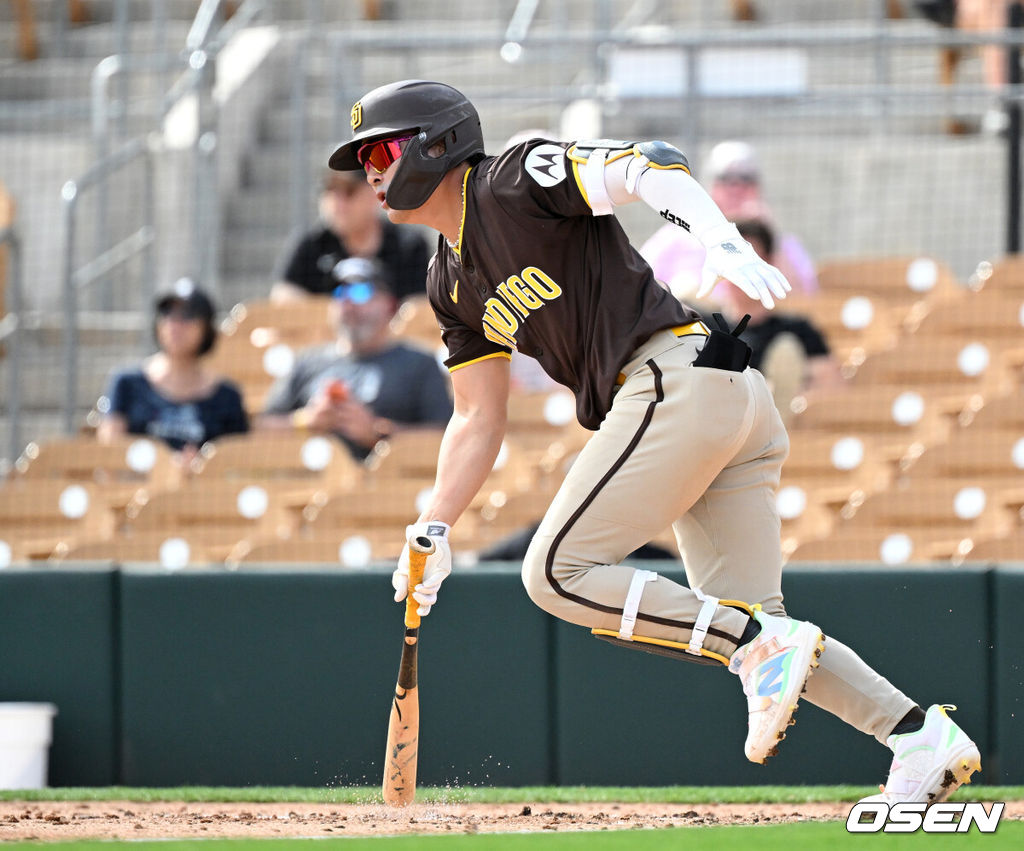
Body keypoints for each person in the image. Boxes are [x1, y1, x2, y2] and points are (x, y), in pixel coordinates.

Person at [327, 79, 982, 802]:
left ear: (436, 143)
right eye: (363, 161)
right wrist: (434, 523)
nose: (372, 172)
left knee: (555, 571)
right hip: (711, 399)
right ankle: (919, 735)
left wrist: (720, 241)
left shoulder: (510, 179)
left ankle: (750, 646)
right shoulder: (448, 282)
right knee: (763, 623)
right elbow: (479, 418)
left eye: (382, 150)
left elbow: (650, 164)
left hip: (673, 376)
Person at [258, 257, 453, 460]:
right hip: (314, 485)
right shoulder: (307, 361)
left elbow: (443, 436)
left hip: (388, 485)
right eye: (340, 293)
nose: (348, 303)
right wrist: (306, 422)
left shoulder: (419, 364)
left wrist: (378, 434)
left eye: (361, 292)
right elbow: (261, 428)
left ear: (389, 304)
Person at [640, 140, 818, 300]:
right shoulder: (676, 236)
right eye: (725, 178)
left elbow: (802, 299)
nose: (736, 188)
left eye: (746, 179)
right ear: (708, 186)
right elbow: (640, 287)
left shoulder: (783, 243)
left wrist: (770, 237)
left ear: (758, 186)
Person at [96, 279, 248, 458]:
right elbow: (109, 453)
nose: (175, 324)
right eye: (167, 313)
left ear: (206, 328)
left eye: (187, 315)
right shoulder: (127, 383)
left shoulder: (227, 396)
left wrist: (200, 468)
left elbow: (237, 462)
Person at [714, 218, 842, 410]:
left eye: (747, 261)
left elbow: (833, 390)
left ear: (769, 263)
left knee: (787, 353)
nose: (738, 271)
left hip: (778, 425)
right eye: (732, 261)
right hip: (718, 422)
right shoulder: (704, 328)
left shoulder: (797, 330)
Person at [270, 169, 430, 303]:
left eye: (349, 191)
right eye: (330, 191)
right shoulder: (313, 245)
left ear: (374, 193)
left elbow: (421, 306)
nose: (337, 203)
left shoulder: (407, 245)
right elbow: (283, 297)